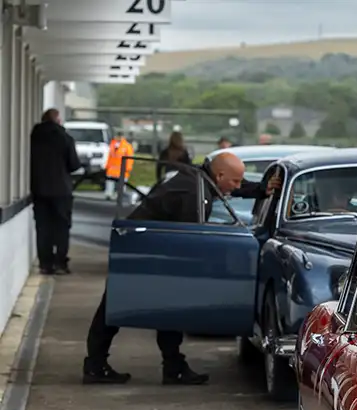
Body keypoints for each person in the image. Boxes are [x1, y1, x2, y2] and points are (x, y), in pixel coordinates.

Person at [82, 152, 283, 385]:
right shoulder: (192, 191)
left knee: (160, 308)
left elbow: (229, 187)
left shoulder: (200, 179)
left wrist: (261, 189)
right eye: (236, 180)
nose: (238, 186)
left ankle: (171, 366)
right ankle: (100, 365)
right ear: (219, 175)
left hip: (146, 246)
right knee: (119, 305)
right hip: (145, 249)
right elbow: (193, 237)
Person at [29, 108, 81, 275]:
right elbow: (73, 165)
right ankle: (60, 262)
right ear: (58, 120)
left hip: (39, 189)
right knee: (61, 227)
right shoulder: (65, 138)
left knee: (43, 228)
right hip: (61, 191)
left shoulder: (33, 137)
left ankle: (45, 264)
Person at [103, 130, 134, 200]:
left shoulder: (127, 146)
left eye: (120, 136)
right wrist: (107, 166)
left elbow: (129, 158)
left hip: (122, 169)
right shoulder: (112, 144)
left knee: (121, 184)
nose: (119, 137)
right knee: (110, 182)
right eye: (118, 136)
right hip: (112, 169)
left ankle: (120, 195)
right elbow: (109, 157)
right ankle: (109, 194)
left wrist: (128, 168)